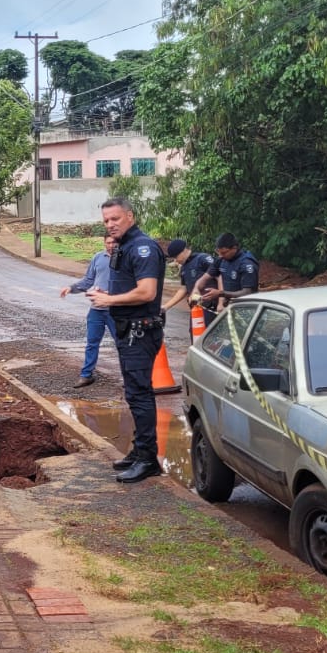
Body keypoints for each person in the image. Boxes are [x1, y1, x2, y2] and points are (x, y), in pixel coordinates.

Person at [87, 197, 165, 483]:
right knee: (134, 394)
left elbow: (147, 292)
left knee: (140, 394)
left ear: (130, 216)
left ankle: (148, 460)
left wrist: (109, 299)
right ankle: (139, 450)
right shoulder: (124, 247)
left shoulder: (142, 248)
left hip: (140, 331)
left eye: (115, 219)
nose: (110, 224)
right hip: (128, 330)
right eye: (106, 220)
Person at [59, 235, 117, 388]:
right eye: (108, 242)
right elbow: (88, 280)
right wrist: (71, 288)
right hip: (97, 309)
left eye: (114, 242)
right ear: (104, 243)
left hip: (116, 309)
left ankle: (130, 377)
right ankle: (86, 375)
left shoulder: (125, 259)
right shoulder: (98, 258)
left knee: (122, 344)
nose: (111, 245)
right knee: (92, 343)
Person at [159, 238, 218, 333]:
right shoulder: (184, 268)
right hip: (197, 309)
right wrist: (166, 307)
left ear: (183, 251)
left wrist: (222, 301)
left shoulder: (203, 259)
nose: (176, 261)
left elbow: (220, 276)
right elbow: (184, 289)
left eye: (176, 257)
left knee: (211, 338)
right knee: (195, 335)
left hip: (212, 309)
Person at [198, 232, 259, 310]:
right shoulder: (221, 259)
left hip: (246, 309)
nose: (220, 256)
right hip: (230, 308)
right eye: (218, 252)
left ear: (234, 248)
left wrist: (221, 293)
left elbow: (248, 292)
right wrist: (196, 289)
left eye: (224, 252)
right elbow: (206, 277)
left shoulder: (247, 264)